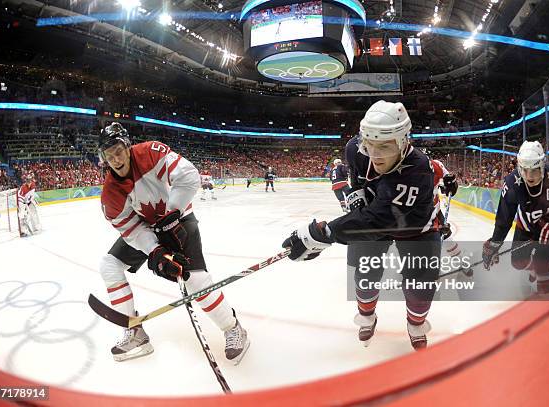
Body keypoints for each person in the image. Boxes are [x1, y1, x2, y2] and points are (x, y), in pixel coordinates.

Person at [282, 101, 442, 350]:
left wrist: (322, 232)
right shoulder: (354, 149)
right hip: (377, 214)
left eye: (385, 146)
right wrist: (358, 195)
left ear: (403, 142)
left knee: (421, 284)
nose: (375, 154)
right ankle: (367, 316)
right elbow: (361, 190)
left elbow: (379, 219)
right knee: (365, 275)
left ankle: (415, 323)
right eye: (370, 145)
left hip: (415, 228)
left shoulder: (418, 169)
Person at [97, 123, 249, 363]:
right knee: (109, 266)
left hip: (180, 217)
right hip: (148, 227)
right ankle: (135, 331)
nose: (115, 159)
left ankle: (233, 327)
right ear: (104, 159)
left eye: (118, 150)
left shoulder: (150, 152)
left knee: (195, 280)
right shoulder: (110, 194)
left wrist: (171, 214)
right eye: (109, 155)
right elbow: (130, 229)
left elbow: (189, 176)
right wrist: (155, 250)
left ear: (127, 146)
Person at [482, 140, 549, 290]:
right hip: (526, 224)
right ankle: (535, 270)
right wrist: (495, 243)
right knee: (517, 262)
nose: (529, 176)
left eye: (534, 170)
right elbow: (504, 219)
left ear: (542, 166)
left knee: (542, 261)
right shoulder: (512, 183)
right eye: (524, 170)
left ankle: (545, 282)